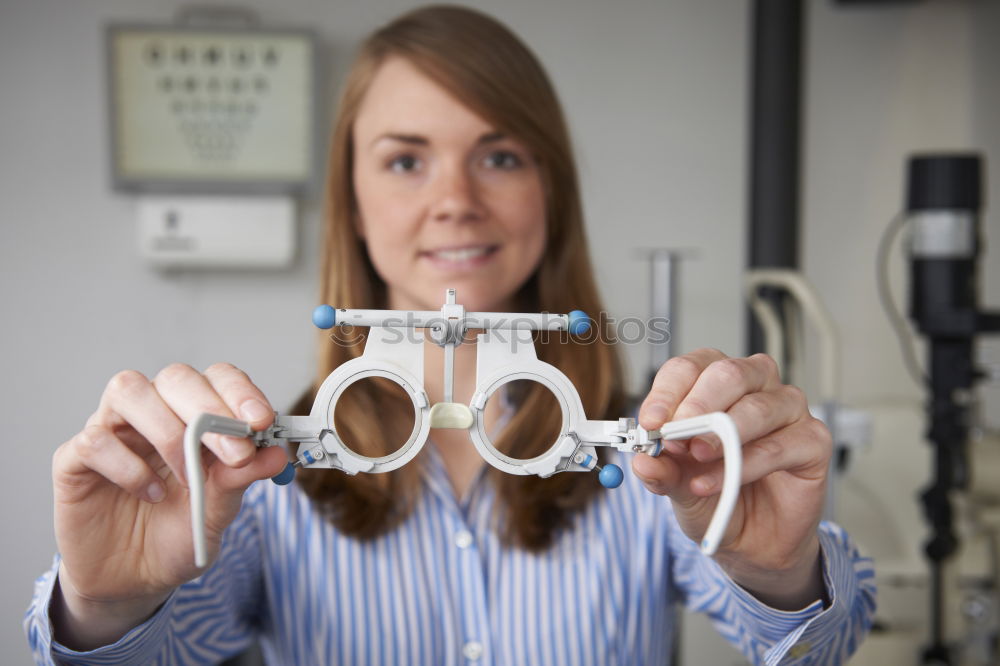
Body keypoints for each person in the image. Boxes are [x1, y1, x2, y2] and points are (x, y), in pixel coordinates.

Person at [26, 5, 875, 664]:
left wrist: (779, 573)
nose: (456, 199)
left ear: (552, 192)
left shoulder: (664, 470)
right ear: (352, 204)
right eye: (405, 160)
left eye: (500, 156)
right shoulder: (254, 483)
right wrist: (105, 608)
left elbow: (818, 649)